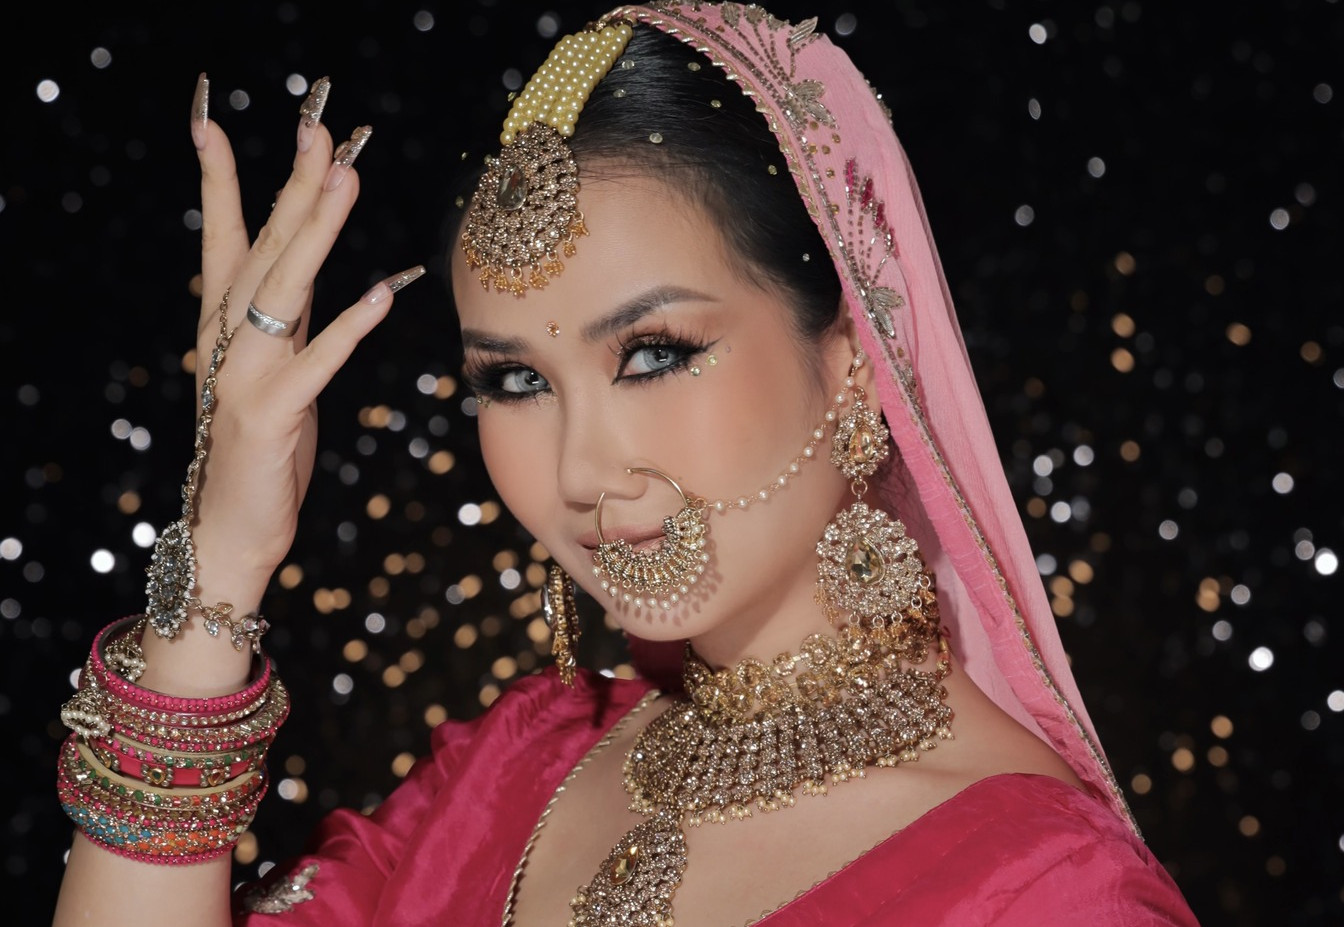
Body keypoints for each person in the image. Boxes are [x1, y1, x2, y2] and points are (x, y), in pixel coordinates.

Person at [52, 3, 1200, 924]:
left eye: (654, 355)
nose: (584, 469)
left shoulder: (1048, 891)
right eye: (515, 382)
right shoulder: (509, 773)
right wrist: (221, 558)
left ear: (854, 362)